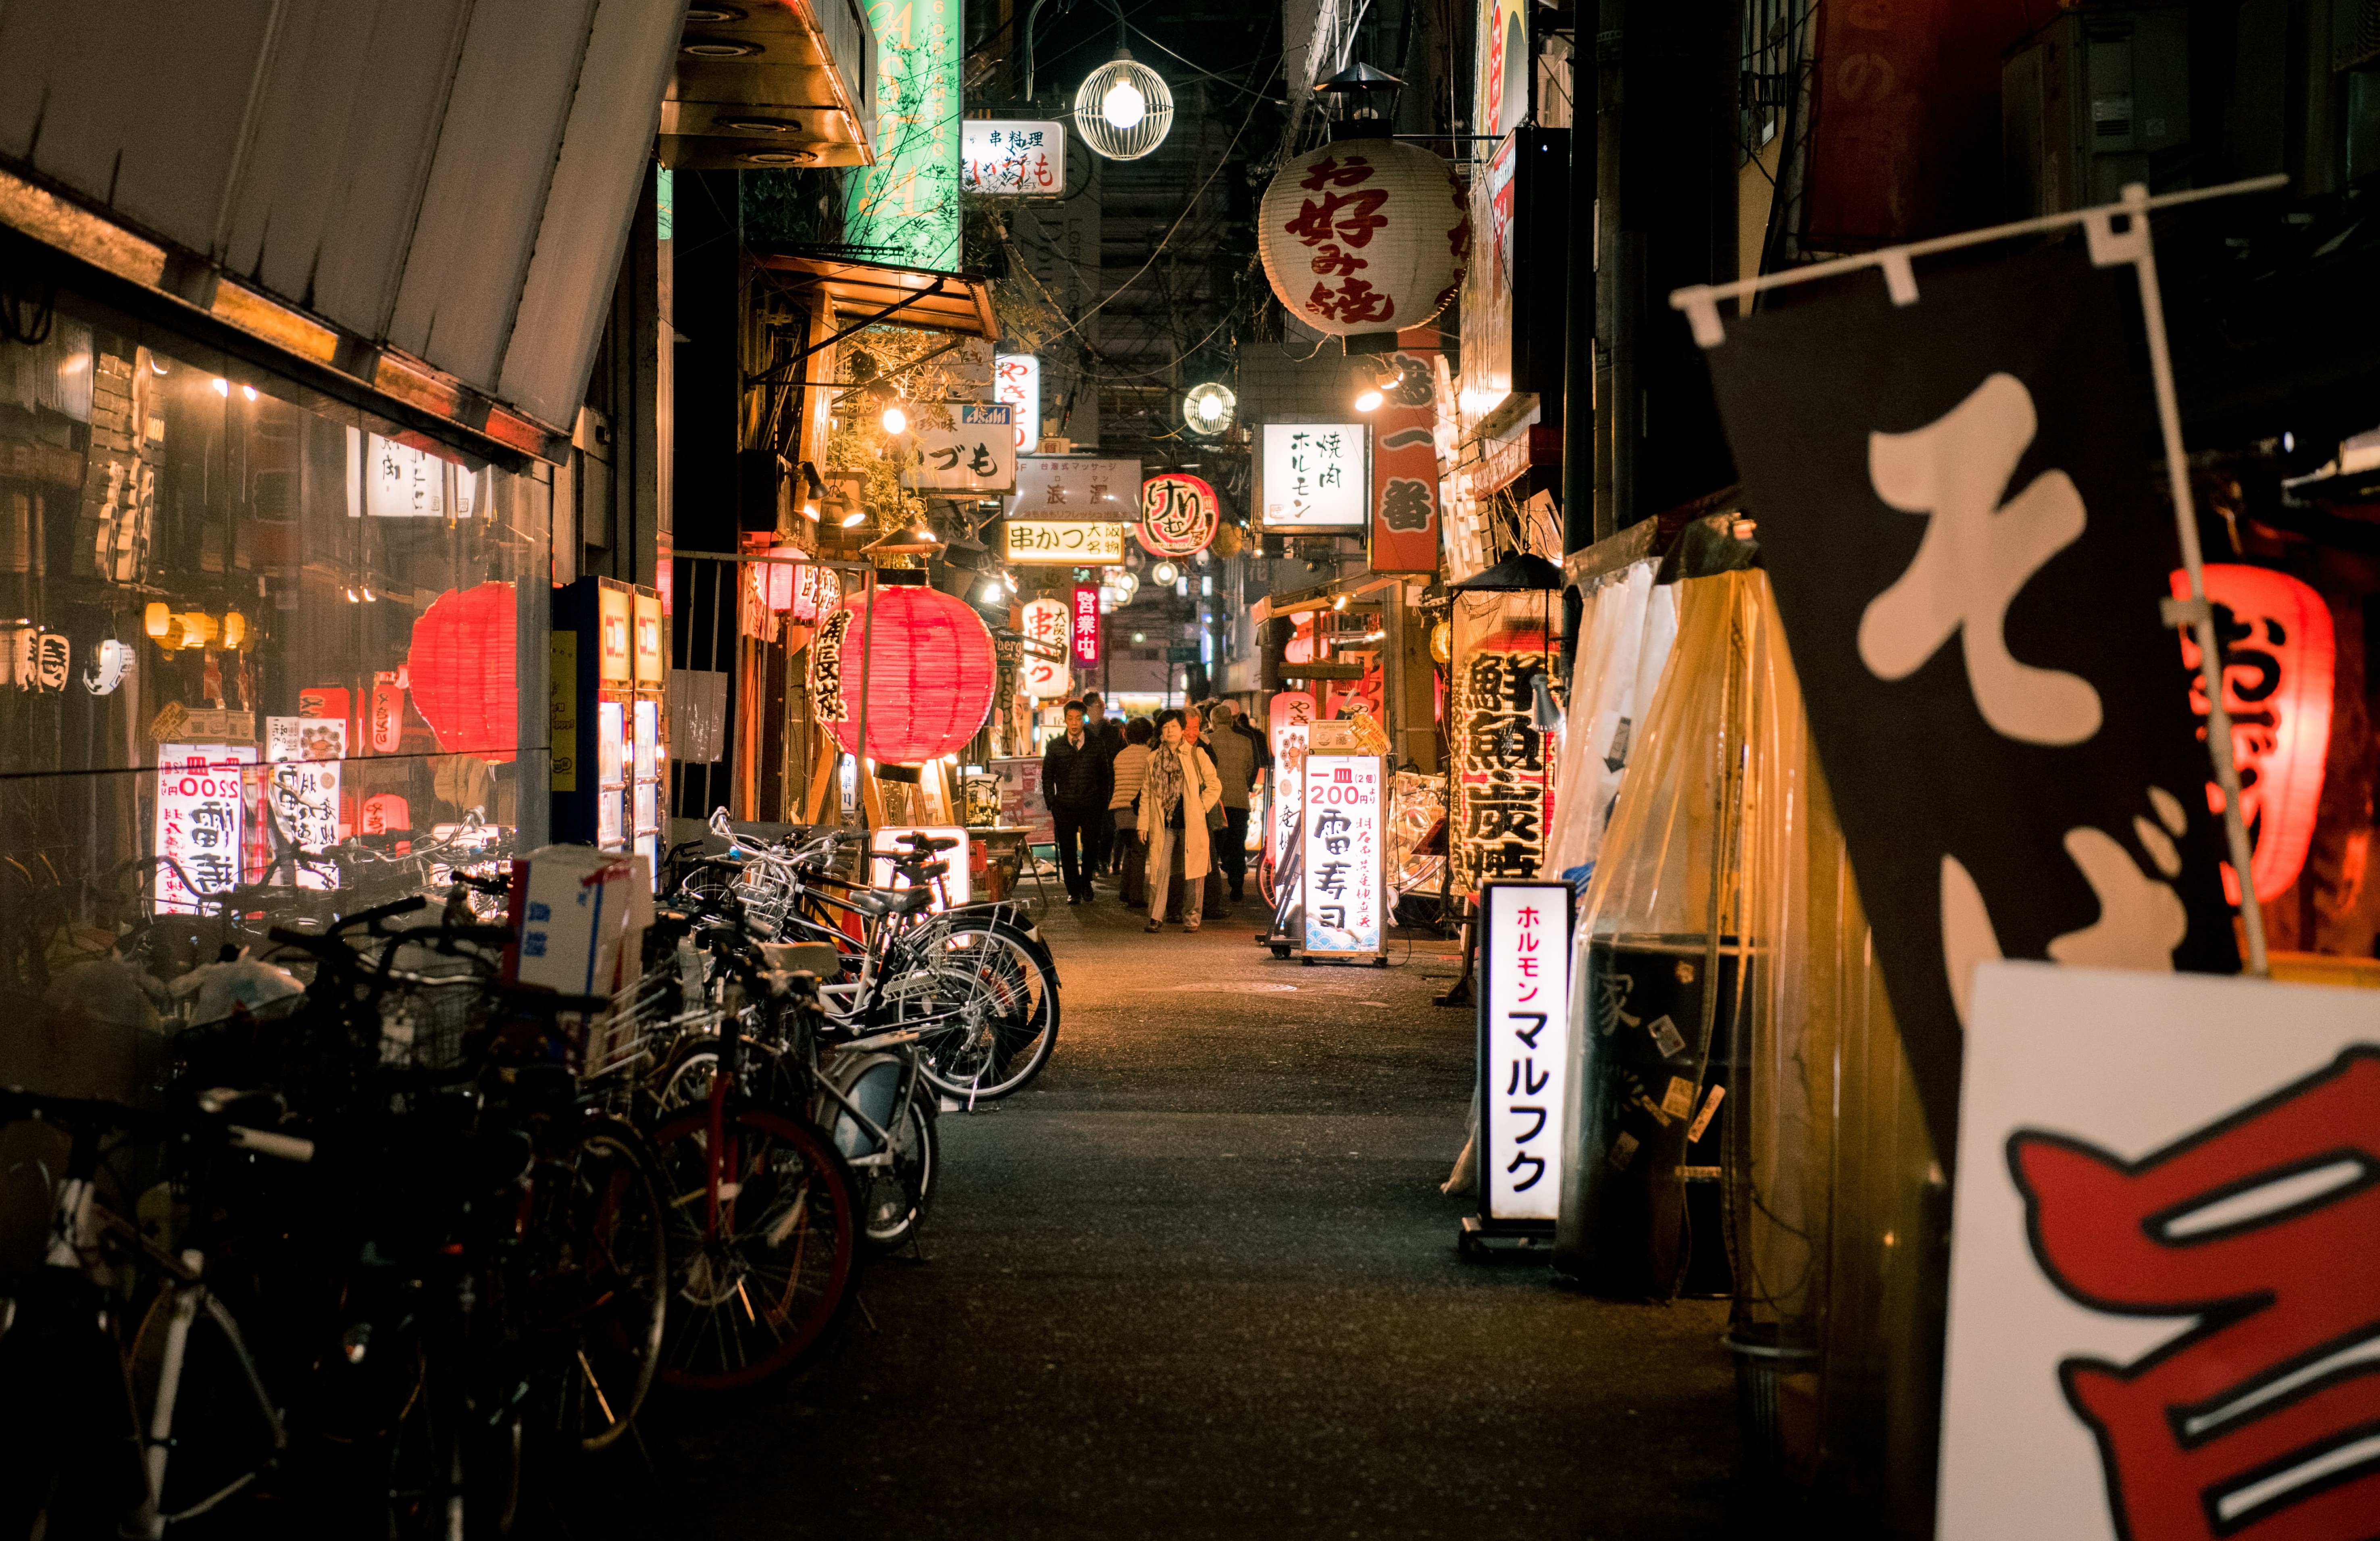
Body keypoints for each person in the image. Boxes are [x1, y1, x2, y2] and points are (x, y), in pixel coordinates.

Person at [1139, 709, 1221, 932]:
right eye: (1165, 728)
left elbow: (1215, 785)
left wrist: (1200, 805)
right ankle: (1156, 918)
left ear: (1182, 729)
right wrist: (1143, 824)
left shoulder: (1196, 755)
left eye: (1174, 727)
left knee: (1194, 874)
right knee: (1160, 870)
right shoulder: (1153, 759)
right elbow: (1146, 793)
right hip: (1164, 823)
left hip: (1191, 822)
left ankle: (1192, 919)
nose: (1169, 731)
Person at [1040, 698, 1110, 904]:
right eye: (1070, 718)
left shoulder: (1096, 744)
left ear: (1084, 720)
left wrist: (1102, 803)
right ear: (1065, 720)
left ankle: (1086, 881)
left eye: (1078, 719)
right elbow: (1047, 776)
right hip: (1064, 805)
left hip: (1091, 804)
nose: (1074, 723)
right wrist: (1051, 802)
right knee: (1068, 849)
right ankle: (1074, 890)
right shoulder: (1055, 746)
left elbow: (1105, 776)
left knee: (1091, 845)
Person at [1204, 700, 1261, 902]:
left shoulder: (1206, 741)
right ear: (1231, 721)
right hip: (1239, 800)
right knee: (1237, 844)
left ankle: (1211, 890)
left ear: (1212, 722)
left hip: (1214, 802)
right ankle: (1237, 886)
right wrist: (1243, 785)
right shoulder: (1245, 742)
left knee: (1213, 846)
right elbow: (1251, 768)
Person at [1079, 692, 1124, 882]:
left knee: (1108, 827)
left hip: (1109, 786)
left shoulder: (1113, 732)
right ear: (1089, 709)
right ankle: (1092, 862)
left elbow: (1121, 757)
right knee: (1089, 828)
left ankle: (1104, 859)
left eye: (1102, 704)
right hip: (1087, 787)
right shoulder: (1082, 732)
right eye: (1099, 705)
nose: (1103, 707)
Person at [1108, 717, 1153, 907]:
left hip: (1119, 809)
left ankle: (1125, 892)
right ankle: (1136, 896)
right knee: (1139, 853)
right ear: (1149, 737)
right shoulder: (1150, 756)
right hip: (1138, 810)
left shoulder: (1121, 756)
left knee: (1131, 850)